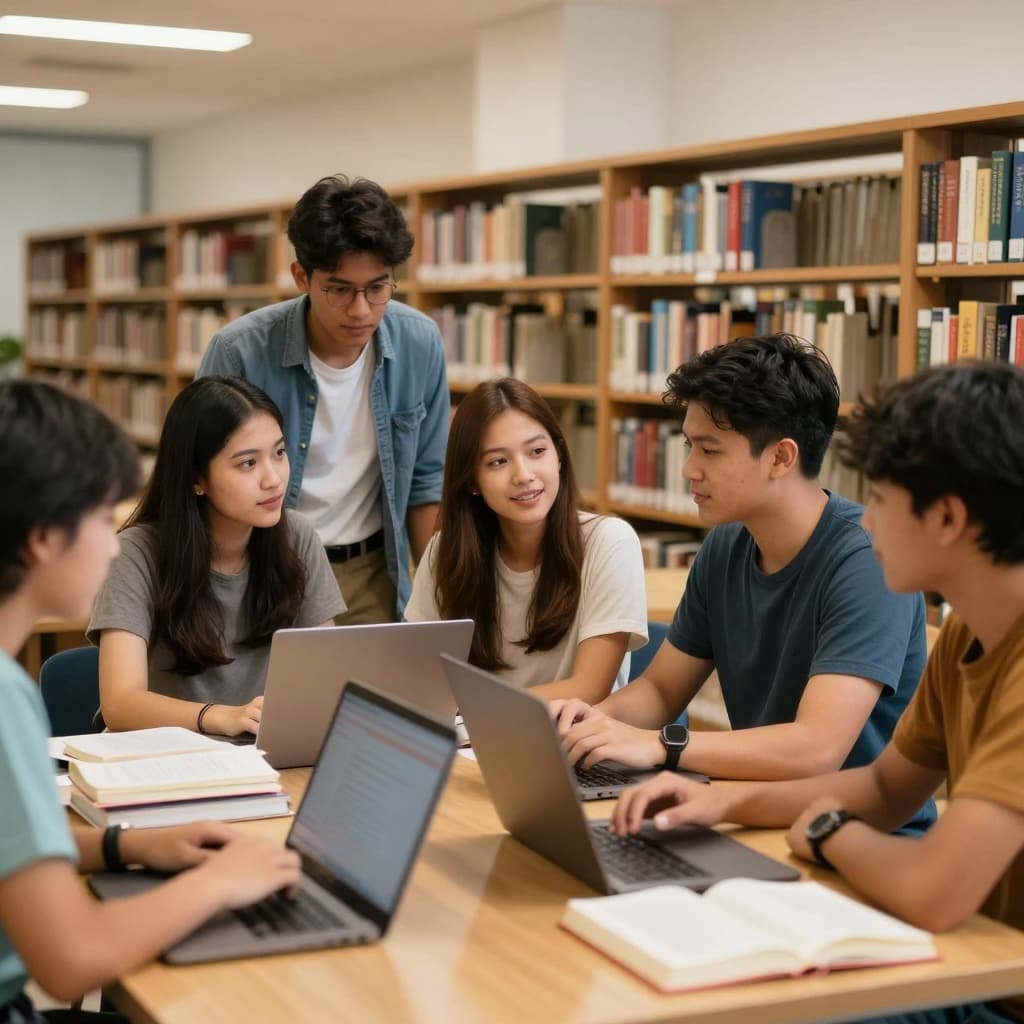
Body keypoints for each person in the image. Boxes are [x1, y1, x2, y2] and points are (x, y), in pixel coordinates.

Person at [611, 361, 1024, 1024]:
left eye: (883, 502)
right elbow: (888, 788)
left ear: (946, 517)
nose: (867, 524)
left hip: (990, 992)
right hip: (969, 963)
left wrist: (829, 830)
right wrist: (721, 802)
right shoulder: (970, 633)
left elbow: (933, 891)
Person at [0, 380, 301, 1023]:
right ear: (44, 538)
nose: (115, 543)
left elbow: (11, 851)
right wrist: (218, 883)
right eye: (103, 519)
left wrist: (124, 848)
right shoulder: (4, 698)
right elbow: (72, 959)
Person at [553, 335, 930, 815]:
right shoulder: (727, 543)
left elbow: (817, 747)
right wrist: (590, 726)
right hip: (754, 810)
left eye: (709, 451)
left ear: (781, 458)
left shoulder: (866, 561)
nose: (688, 469)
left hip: (856, 833)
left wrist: (661, 746)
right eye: (689, 447)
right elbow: (662, 689)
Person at [197, 174, 448, 624]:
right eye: (339, 289)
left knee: (376, 694)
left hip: (372, 570)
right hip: (263, 567)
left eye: (378, 287)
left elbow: (427, 483)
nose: (361, 310)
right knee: (271, 697)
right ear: (301, 277)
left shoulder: (420, 342)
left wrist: (440, 600)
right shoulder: (241, 351)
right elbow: (197, 477)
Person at [90, 376, 344, 737]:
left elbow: (327, 675)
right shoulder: (136, 552)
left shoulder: (296, 536)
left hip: (263, 754)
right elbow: (120, 703)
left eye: (279, 453)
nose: (273, 478)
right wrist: (221, 716)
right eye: (247, 464)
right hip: (162, 760)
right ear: (198, 478)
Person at [405, 378, 647, 701]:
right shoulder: (445, 551)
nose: (523, 475)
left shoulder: (609, 543)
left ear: (558, 456)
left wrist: (476, 712)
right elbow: (419, 678)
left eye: (537, 451)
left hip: (569, 743)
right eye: (498, 462)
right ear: (472, 481)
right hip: (473, 743)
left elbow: (588, 690)